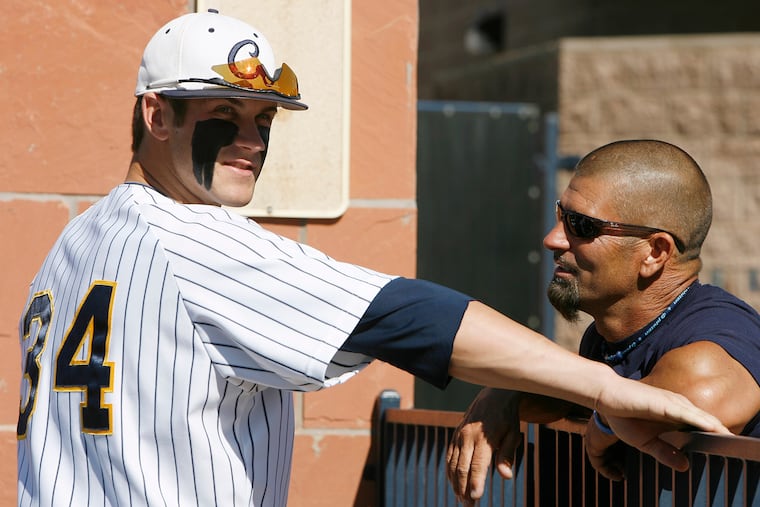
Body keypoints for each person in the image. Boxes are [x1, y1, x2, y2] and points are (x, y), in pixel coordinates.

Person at [16, 11, 729, 506]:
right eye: (224, 115)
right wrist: (603, 389)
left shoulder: (74, 242)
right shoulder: (188, 240)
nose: (253, 140)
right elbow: (408, 315)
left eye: (263, 120)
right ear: (156, 114)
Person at [446, 139, 760, 504]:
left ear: (655, 252)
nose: (552, 239)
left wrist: (605, 421)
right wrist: (504, 392)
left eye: (581, 225)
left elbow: (704, 396)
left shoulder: (719, 324)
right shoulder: (606, 339)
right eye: (561, 215)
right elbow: (576, 394)